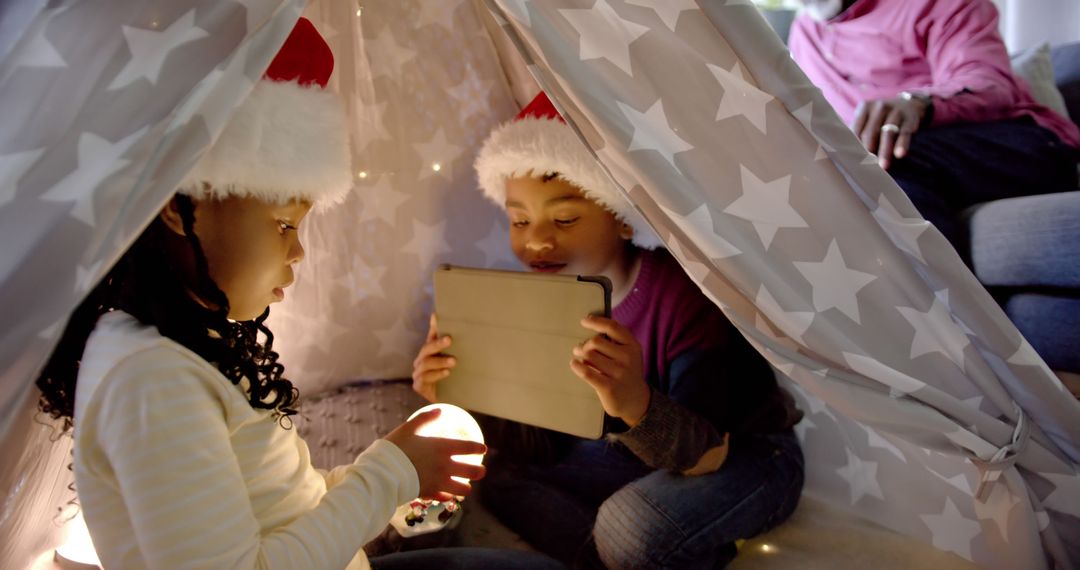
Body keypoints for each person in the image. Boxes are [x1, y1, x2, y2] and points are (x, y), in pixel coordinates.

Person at [34, 17, 562, 570]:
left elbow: (287, 509)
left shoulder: (189, 343)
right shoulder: (148, 378)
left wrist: (398, 484)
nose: (298, 254)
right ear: (179, 204)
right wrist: (390, 474)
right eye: (284, 225)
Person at [412, 92, 805, 568]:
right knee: (502, 476)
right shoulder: (543, 299)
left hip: (741, 452)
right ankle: (621, 556)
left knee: (627, 526)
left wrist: (634, 403)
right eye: (519, 220)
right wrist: (459, 391)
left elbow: (707, 454)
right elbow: (544, 443)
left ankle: (638, 547)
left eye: (564, 218)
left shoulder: (682, 297)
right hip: (630, 458)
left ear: (620, 217)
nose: (536, 239)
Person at [788, 0, 1080, 259]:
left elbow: (989, 82)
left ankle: (946, 317)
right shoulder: (801, 34)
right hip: (909, 170)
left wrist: (917, 103)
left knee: (888, 155)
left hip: (1026, 145)